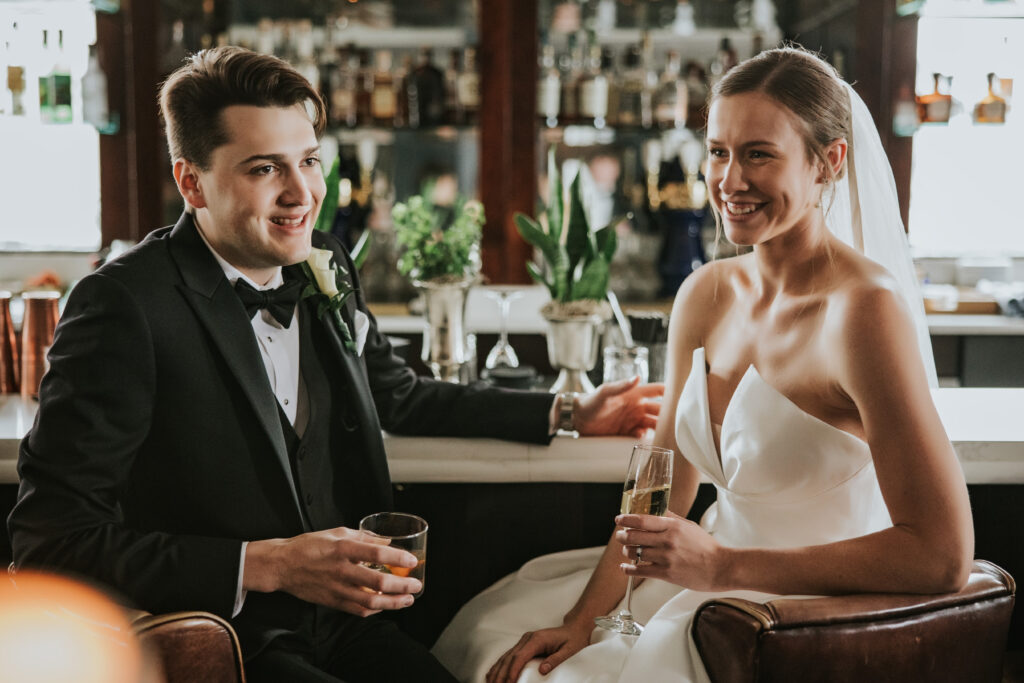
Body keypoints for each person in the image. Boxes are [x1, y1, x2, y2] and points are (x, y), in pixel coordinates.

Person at [7, 47, 662, 683]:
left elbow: (399, 394)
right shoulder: (124, 303)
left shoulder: (323, 258)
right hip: (227, 645)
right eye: (265, 168)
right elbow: (51, 542)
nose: (302, 193)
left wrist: (569, 410)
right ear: (191, 182)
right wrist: (266, 565)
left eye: (310, 160)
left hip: (350, 627)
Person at [432, 46, 974, 683]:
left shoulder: (864, 311)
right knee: (493, 642)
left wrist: (724, 567)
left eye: (759, 154)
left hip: (803, 619)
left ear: (829, 161)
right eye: (718, 151)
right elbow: (662, 488)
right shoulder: (706, 292)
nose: (730, 181)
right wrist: (584, 619)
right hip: (703, 586)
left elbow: (941, 555)